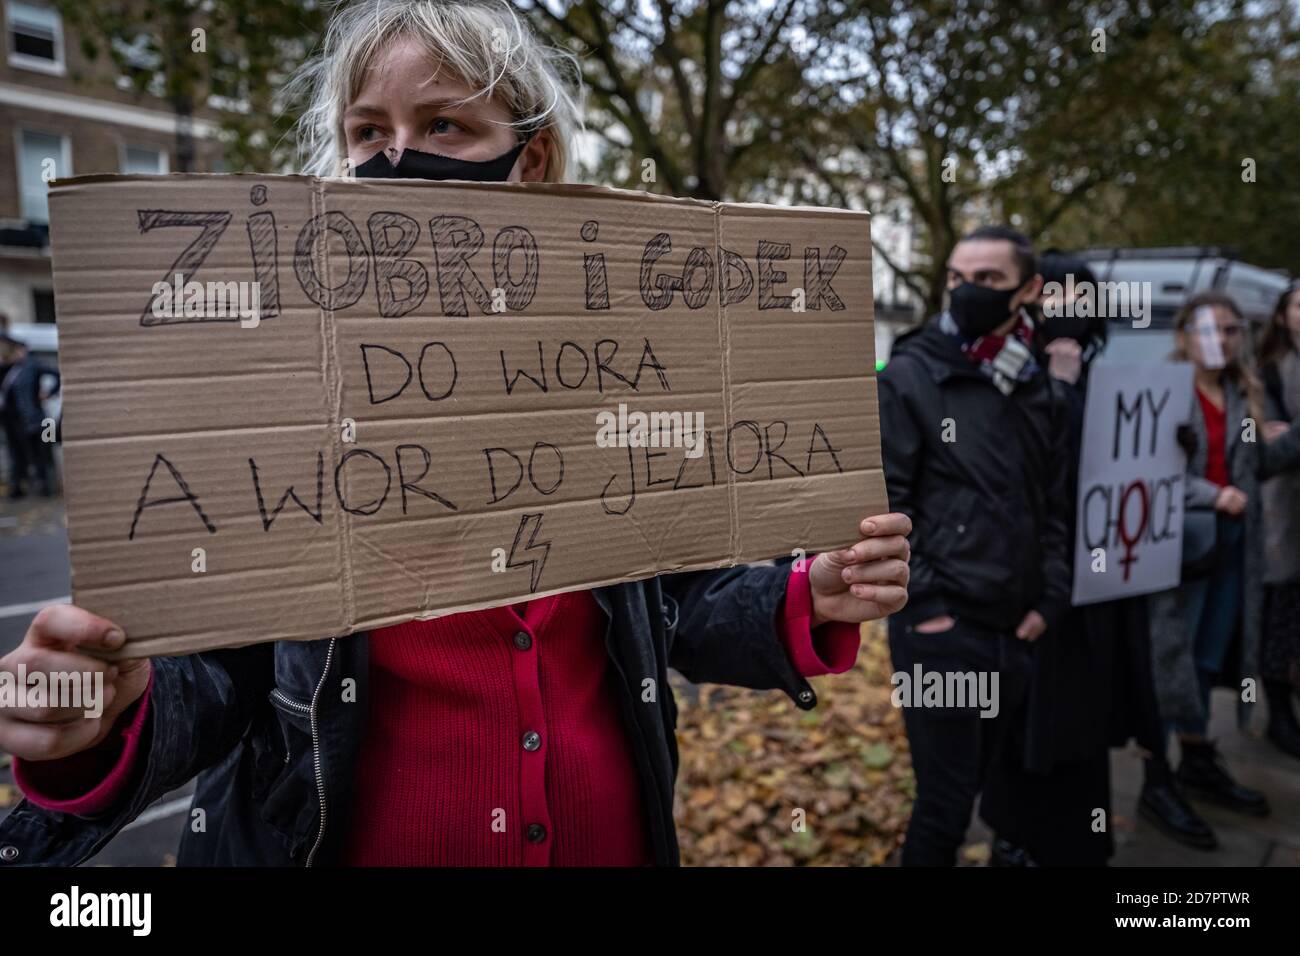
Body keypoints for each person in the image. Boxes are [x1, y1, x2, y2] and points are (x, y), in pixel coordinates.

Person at [0, 0, 911, 868]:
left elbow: (681, 600)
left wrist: (809, 596)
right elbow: (219, 675)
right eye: (370, 133)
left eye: (443, 126)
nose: (399, 158)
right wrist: (107, 722)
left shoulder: (617, 364)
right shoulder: (279, 382)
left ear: (531, 157)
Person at [980, 252, 1215, 864]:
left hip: (1097, 583)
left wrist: (1172, 448)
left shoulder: (1105, 378)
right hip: (1035, 583)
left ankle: (1078, 840)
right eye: (1057, 297)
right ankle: (1013, 833)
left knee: (1081, 720)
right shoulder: (1010, 373)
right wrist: (1054, 389)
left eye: (1082, 299)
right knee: (1029, 716)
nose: (1070, 310)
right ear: (1031, 302)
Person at [878, 225, 1072, 866]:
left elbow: (1055, 502)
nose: (967, 292)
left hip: (1017, 627)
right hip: (941, 631)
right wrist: (927, 611)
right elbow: (885, 505)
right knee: (943, 807)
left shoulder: (1041, 386)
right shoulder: (910, 374)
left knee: (991, 780)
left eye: (988, 280)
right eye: (958, 279)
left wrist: (1049, 597)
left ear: (1029, 290)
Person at [1147, 291, 1300, 817]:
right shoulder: (1164, 390)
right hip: (1180, 547)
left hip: (1235, 546)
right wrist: (1213, 495)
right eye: (1210, 330)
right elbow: (1146, 472)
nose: (1222, 340)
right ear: (1185, 336)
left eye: (1232, 330)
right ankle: (1156, 776)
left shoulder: (1242, 390)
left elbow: (1255, 464)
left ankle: (1197, 756)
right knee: (1173, 659)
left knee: (1210, 656)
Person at [1256, 283, 1300, 758]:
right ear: (1284, 316)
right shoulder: (1269, 371)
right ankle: (1279, 715)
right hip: (1285, 520)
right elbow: (1270, 453)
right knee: (1281, 623)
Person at [0, 335, 59, 498]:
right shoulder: (10, 369)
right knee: (27, 453)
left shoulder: (32, 365)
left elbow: (57, 375)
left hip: (43, 421)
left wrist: (49, 393)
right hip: (22, 421)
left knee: (45, 452)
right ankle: (33, 485)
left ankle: (48, 486)